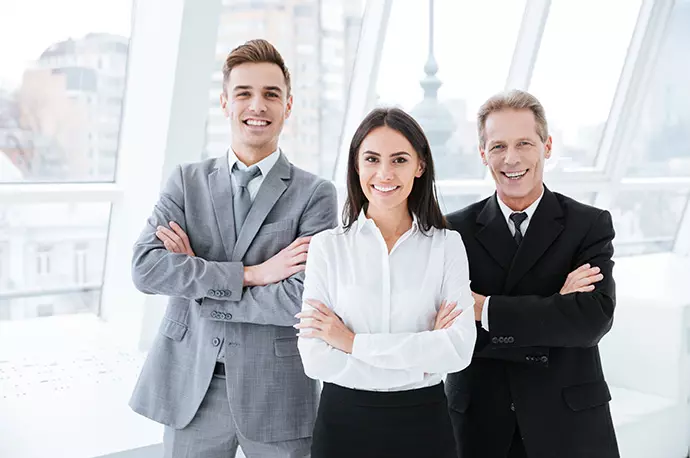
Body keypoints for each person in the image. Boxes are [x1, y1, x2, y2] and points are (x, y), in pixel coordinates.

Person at [129, 39, 338, 458]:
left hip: (277, 391)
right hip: (192, 386)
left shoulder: (316, 194)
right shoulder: (186, 183)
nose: (257, 106)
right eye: (244, 93)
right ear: (225, 102)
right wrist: (252, 274)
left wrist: (198, 278)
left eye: (271, 95)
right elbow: (147, 269)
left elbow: (301, 298)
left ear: (288, 106)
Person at [444, 89, 619, 458]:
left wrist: (486, 310)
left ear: (547, 146)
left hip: (568, 423)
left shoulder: (588, 225)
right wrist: (555, 306)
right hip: (480, 425)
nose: (511, 159)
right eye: (497, 146)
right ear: (482, 154)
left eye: (524, 143)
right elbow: (448, 334)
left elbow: (591, 321)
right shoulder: (453, 232)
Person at [296, 107, 477, 458]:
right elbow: (315, 359)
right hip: (343, 424)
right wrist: (422, 357)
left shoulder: (446, 246)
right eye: (372, 159)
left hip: (424, 423)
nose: (384, 173)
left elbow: (457, 350)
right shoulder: (328, 247)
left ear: (419, 166)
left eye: (399, 160)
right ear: (356, 166)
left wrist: (350, 343)